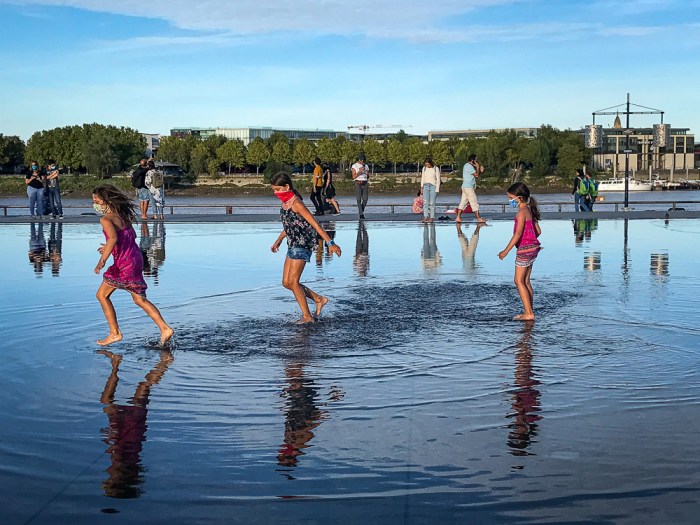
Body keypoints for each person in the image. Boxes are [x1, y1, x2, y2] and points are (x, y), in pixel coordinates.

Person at [92, 184, 173, 345]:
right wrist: (108, 247)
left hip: (124, 263)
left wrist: (102, 261)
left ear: (107, 200)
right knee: (139, 299)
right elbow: (129, 236)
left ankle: (115, 333)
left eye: (96, 200)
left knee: (102, 295)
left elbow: (113, 238)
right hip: (135, 258)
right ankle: (165, 328)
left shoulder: (106, 219)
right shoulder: (123, 216)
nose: (94, 204)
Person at [99, 349, 173, 498]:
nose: (107, 474)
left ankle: (164, 361)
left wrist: (111, 440)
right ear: (117, 479)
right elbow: (118, 448)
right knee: (106, 401)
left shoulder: (132, 463)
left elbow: (124, 446)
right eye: (109, 479)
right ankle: (115, 365)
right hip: (126, 425)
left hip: (136, 426)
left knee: (144, 386)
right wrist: (111, 440)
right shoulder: (120, 465)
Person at [270, 172, 342, 323]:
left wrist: (331, 243)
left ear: (287, 187)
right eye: (274, 190)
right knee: (286, 283)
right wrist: (278, 240)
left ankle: (307, 316)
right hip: (292, 243)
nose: (276, 193)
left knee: (293, 282)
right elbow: (290, 225)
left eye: (278, 189)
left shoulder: (297, 203)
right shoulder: (285, 204)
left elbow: (315, 224)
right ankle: (318, 299)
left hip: (303, 244)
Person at [498, 182, 542, 321]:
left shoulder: (521, 212)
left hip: (524, 249)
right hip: (533, 248)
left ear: (520, 198)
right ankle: (529, 310)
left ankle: (528, 313)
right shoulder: (529, 210)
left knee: (518, 281)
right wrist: (530, 238)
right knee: (526, 281)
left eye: (511, 198)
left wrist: (505, 251)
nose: (509, 201)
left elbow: (517, 234)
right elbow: (538, 231)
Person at [455, 154, 486, 224]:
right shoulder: (469, 166)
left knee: (463, 202)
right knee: (474, 202)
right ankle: (478, 218)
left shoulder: (466, 166)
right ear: (472, 160)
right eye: (475, 160)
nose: (476, 161)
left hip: (465, 187)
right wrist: (477, 167)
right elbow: (476, 175)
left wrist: (480, 171)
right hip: (468, 188)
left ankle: (458, 217)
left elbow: (475, 174)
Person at [420, 157, 441, 222]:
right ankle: (425, 217)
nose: (427, 165)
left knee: (432, 203)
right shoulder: (424, 168)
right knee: (425, 202)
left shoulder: (435, 168)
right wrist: (421, 187)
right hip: (426, 186)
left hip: (433, 186)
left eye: (428, 164)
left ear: (430, 163)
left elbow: (438, 179)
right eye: (426, 164)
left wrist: (437, 189)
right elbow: (423, 178)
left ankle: (432, 217)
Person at [351, 155, 369, 219]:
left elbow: (368, 177)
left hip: (365, 183)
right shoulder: (354, 166)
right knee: (358, 199)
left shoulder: (366, 166)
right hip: (358, 183)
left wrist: (367, 174)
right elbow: (353, 177)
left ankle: (361, 210)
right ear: (359, 160)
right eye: (361, 160)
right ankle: (361, 214)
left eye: (363, 160)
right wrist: (359, 171)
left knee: (365, 199)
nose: (362, 161)